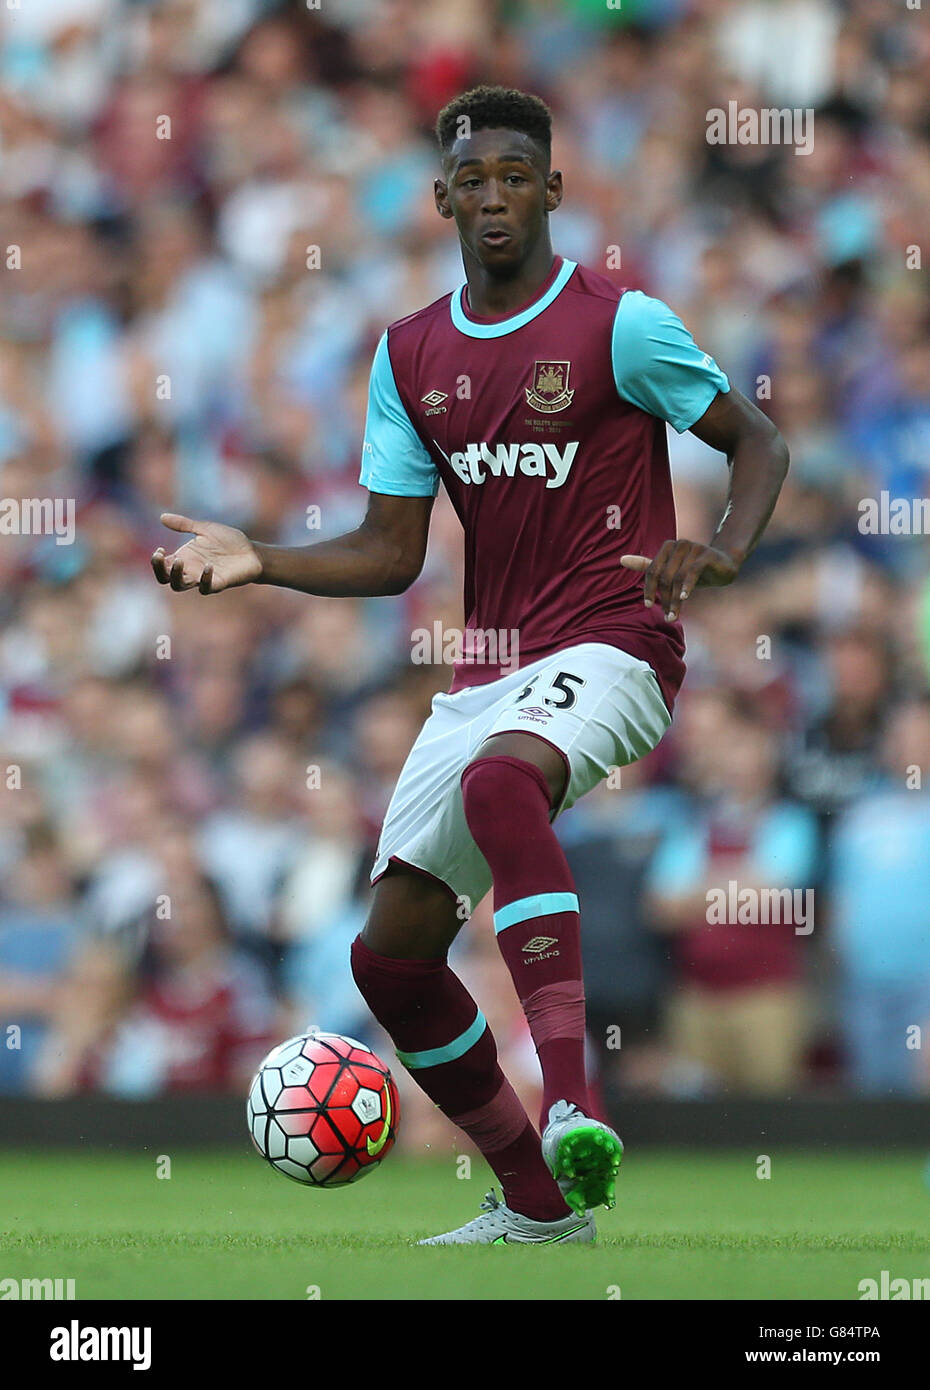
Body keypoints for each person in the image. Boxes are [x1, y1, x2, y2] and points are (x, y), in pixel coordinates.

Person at [151, 86, 788, 1245]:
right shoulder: (410, 353)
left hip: (618, 639)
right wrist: (262, 558)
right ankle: (540, 1207)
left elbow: (759, 439)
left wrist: (727, 551)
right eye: (472, 179)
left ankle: (573, 1107)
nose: (493, 195)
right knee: (389, 959)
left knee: (501, 785)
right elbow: (392, 553)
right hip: (488, 671)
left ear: (552, 189)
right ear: (441, 199)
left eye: (514, 174)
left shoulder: (618, 324)